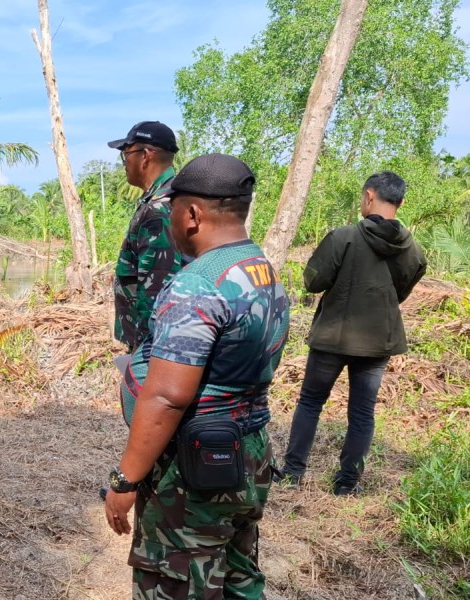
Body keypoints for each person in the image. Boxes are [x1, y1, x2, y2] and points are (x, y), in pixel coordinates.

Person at [104, 154, 290, 599]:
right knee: (239, 577)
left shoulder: (197, 285)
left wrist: (124, 481)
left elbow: (168, 398)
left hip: (197, 468)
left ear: (191, 214)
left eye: (171, 209)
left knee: (177, 584)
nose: (168, 219)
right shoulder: (259, 268)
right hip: (250, 452)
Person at [277, 171, 427, 496]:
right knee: (362, 413)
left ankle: (292, 473)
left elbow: (313, 282)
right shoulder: (412, 249)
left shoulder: (343, 236)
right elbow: (400, 292)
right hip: (377, 342)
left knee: (310, 402)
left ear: (369, 196)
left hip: (332, 338)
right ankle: (347, 484)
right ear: (400, 202)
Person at [107, 121, 185, 352]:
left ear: (146, 156)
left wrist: (144, 354)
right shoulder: (164, 198)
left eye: (126, 154)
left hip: (153, 343)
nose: (124, 163)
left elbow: (156, 289)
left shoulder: (159, 208)